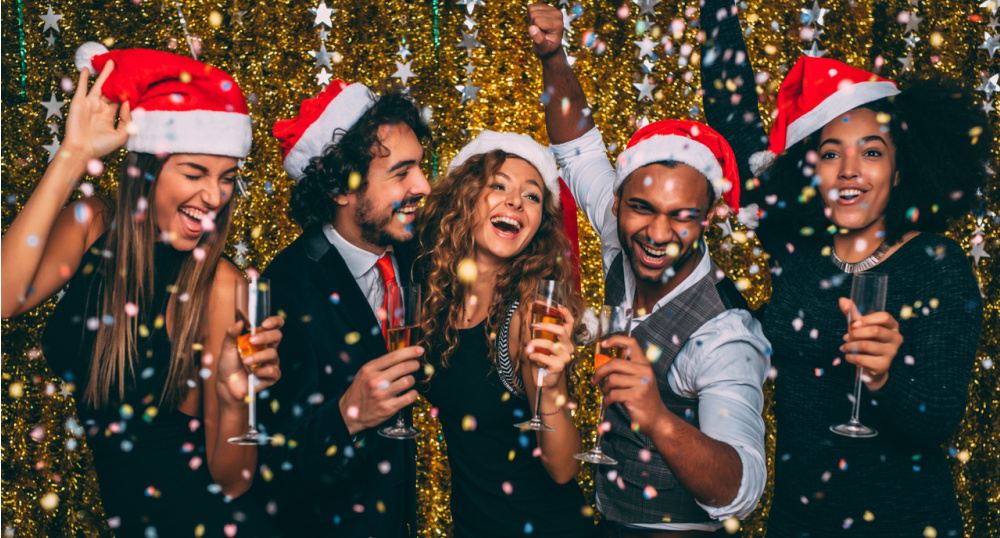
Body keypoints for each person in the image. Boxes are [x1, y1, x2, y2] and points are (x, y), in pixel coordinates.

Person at [699, 1, 991, 535]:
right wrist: (717, 10)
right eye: (832, 153)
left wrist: (885, 375)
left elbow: (937, 420)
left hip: (903, 524)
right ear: (814, 170)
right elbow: (733, 120)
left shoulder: (938, 265)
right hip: (797, 522)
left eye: (872, 152)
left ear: (900, 169)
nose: (850, 170)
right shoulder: (802, 254)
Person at [1, 45, 283, 537]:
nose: (214, 197)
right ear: (147, 169)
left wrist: (235, 398)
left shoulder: (222, 287)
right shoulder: (92, 226)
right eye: (194, 173)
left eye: (227, 179)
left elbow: (233, 481)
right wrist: (74, 155)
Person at [527, 5, 771, 536]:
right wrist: (553, 54)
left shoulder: (725, 333)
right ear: (617, 202)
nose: (658, 234)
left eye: (682, 217)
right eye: (642, 209)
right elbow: (578, 148)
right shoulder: (624, 237)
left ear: (709, 217)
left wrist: (657, 415)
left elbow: (744, 488)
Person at [258, 81, 431, 537]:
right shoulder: (284, 291)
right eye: (402, 173)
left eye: (421, 167)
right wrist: (346, 415)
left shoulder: (414, 259)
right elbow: (264, 469)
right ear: (340, 187)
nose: (424, 186)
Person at [413, 131, 598, 537]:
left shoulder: (527, 316)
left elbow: (563, 467)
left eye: (532, 196)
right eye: (499, 186)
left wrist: (550, 391)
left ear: (538, 227)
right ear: (465, 199)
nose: (515, 201)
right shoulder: (434, 299)